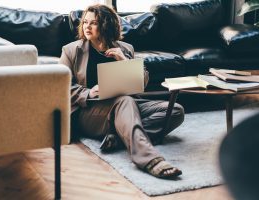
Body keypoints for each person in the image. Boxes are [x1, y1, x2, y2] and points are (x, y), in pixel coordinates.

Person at [59, 4, 184, 179]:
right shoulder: (72, 50)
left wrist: (124, 60)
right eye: (85, 22)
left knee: (175, 110)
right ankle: (150, 159)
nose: (87, 27)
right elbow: (60, 85)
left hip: (127, 106)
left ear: (106, 25)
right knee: (125, 100)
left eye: (93, 23)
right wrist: (88, 93)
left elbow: (143, 81)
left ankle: (117, 138)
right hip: (90, 112)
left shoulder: (125, 49)